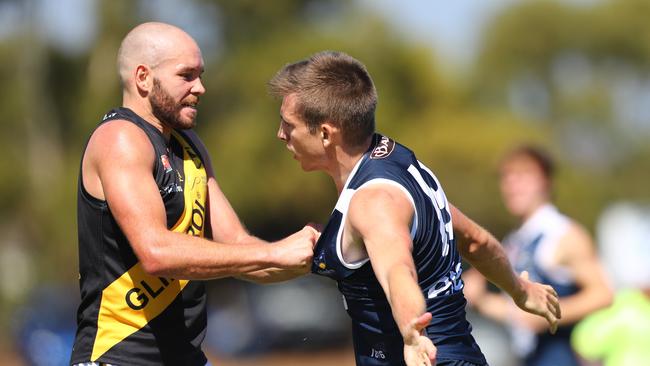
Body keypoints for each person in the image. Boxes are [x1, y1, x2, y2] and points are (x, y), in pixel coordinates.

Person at [268, 51, 561, 366]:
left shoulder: (373, 202)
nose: (281, 134)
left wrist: (411, 331)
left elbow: (398, 270)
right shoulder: (401, 166)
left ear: (326, 133)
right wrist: (520, 289)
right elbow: (475, 241)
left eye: (289, 125)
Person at [70, 22, 317, 366]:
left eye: (200, 75)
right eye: (186, 75)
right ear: (143, 78)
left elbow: (240, 249)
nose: (200, 87)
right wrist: (275, 252)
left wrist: (324, 257)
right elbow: (157, 253)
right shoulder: (120, 140)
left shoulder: (190, 148)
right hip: (119, 357)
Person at [463, 145, 612, 366]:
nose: (512, 185)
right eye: (506, 177)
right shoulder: (515, 240)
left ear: (546, 181)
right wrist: (480, 300)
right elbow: (520, 315)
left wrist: (549, 314)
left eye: (523, 175)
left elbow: (603, 294)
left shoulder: (565, 234)